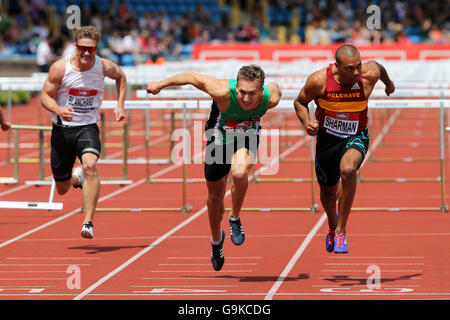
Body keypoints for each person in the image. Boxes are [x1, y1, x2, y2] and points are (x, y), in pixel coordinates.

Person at [146, 65, 282, 270]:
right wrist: (160, 84)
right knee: (215, 199)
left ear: (261, 91)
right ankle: (216, 240)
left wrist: (278, 88)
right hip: (217, 143)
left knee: (239, 172)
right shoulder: (221, 91)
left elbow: (276, 89)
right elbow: (191, 76)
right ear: (236, 87)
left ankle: (235, 217)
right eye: (242, 92)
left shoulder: (269, 99)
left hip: (246, 139)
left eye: (252, 94)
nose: (246, 99)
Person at [294, 44, 395, 253]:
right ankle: (332, 225)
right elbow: (300, 102)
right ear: (337, 67)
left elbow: (379, 68)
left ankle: (341, 230)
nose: (356, 72)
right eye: (350, 68)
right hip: (327, 141)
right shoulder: (318, 81)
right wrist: (306, 122)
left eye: (358, 65)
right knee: (328, 193)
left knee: (348, 170)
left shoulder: (368, 75)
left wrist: (389, 85)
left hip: (356, 136)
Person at [40, 26, 127, 239]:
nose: (86, 53)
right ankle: (75, 178)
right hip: (62, 129)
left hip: (87, 127)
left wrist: (120, 104)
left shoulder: (103, 66)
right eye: (82, 48)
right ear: (76, 46)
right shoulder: (60, 68)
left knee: (90, 165)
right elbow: (45, 96)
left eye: (91, 49)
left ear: (97, 48)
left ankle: (88, 222)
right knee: (62, 188)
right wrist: (59, 109)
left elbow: (121, 77)